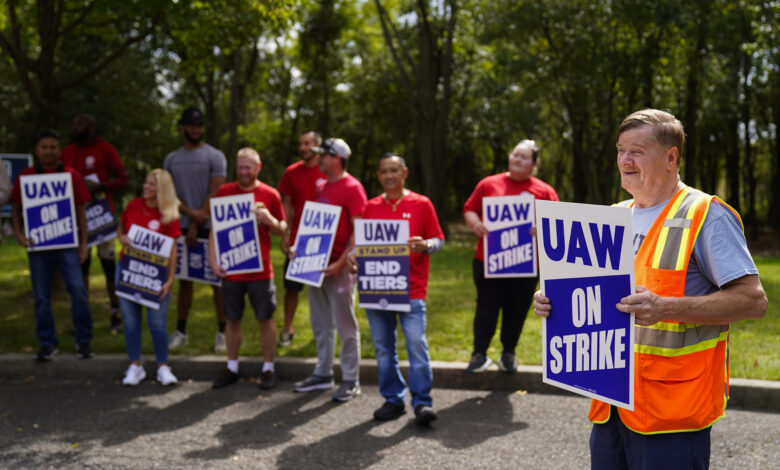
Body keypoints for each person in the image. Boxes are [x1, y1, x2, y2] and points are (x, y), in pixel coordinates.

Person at [533, 109, 767, 469]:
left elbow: (753, 301)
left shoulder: (705, 213)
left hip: (672, 412)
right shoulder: (612, 216)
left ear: (671, 156)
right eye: (620, 150)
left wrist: (666, 307)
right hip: (609, 405)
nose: (624, 160)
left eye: (637, 150)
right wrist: (555, 303)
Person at [352, 153, 445, 425]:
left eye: (394, 170)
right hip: (378, 289)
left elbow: (439, 240)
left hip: (412, 290)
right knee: (383, 349)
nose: (389, 175)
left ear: (404, 173)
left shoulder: (422, 204)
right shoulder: (370, 207)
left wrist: (426, 245)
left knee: (416, 345)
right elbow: (363, 246)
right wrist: (353, 257)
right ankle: (393, 399)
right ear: (379, 176)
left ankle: (422, 403)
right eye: (384, 171)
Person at [463, 140, 559, 373]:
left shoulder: (544, 190)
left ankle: (508, 353)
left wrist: (543, 227)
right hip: (489, 261)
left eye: (524, 157)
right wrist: (476, 224)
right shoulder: (489, 184)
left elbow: (558, 221)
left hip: (526, 264)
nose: (517, 159)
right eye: (515, 154)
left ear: (534, 164)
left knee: (516, 310)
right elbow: (470, 209)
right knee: (486, 307)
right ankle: (479, 354)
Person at [292, 138, 367, 402]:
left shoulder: (353, 187)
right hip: (316, 266)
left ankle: (350, 379)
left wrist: (340, 262)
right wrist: (299, 250)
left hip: (341, 267)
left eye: (323, 155)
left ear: (337, 158)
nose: (318, 159)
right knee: (320, 323)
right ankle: (323, 374)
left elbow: (360, 232)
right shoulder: (322, 185)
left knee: (345, 324)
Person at [10, 129, 94, 360]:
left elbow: (80, 211)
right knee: (41, 296)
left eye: (53, 147)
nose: (48, 151)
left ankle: (84, 340)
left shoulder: (71, 175)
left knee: (78, 290)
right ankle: (47, 342)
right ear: (37, 150)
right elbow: (15, 210)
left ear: (59, 150)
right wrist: (19, 234)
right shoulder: (26, 176)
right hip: (38, 244)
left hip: (67, 243)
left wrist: (84, 243)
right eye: (44, 147)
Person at [209, 148, 286, 390]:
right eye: (240, 167)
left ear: (258, 167)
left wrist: (270, 220)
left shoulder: (269, 194)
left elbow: (282, 228)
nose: (244, 172)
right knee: (232, 319)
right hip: (231, 270)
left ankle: (268, 368)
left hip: (261, 271)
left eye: (248, 167)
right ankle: (231, 367)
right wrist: (213, 261)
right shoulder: (224, 193)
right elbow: (214, 231)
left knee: (266, 318)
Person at [164, 106, 228, 352]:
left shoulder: (215, 156)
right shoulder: (172, 159)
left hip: (210, 227)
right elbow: (169, 194)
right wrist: (190, 217)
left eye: (199, 126)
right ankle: (181, 330)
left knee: (216, 279)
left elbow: (216, 192)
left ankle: (222, 333)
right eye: (191, 126)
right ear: (183, 127)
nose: (195, 130)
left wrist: (197, 222)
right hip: (180, 225)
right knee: (185, 281)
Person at [62, 114, 129, 333]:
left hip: (102, 218)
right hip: (76, 218)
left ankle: (115, 315)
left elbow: (123, 179)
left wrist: (100, 186)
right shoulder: (68, 151)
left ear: (91, 127)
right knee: (81, 268)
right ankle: (81, 319)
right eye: (74, 124)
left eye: (79, 124)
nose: (75, 128)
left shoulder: (105, 149)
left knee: (109, 267)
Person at [117, 169, 181, 386]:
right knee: (131, 321)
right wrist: (123, 239)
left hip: (156, 274)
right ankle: (135, 366)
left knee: (157, 322)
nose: (146, 187)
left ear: (162, 189)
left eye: (152, 184)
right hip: (129, 270)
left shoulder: (169, 213)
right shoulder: (133, 205)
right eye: (146, 183)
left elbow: (173, 249)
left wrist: (170, 279)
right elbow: (120, 231)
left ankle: (163, 366)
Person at [277, 131, 327, 347]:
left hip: (324, 240)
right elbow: (287, 205)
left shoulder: (328, 170)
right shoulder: (291, 172)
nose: (303, 148)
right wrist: (285, 234)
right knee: (292, 288)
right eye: (300, 144)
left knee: (324, 290)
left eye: (307, 144)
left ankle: (327, 331)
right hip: (298, 241)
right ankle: (288, 328)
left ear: (318, 145)